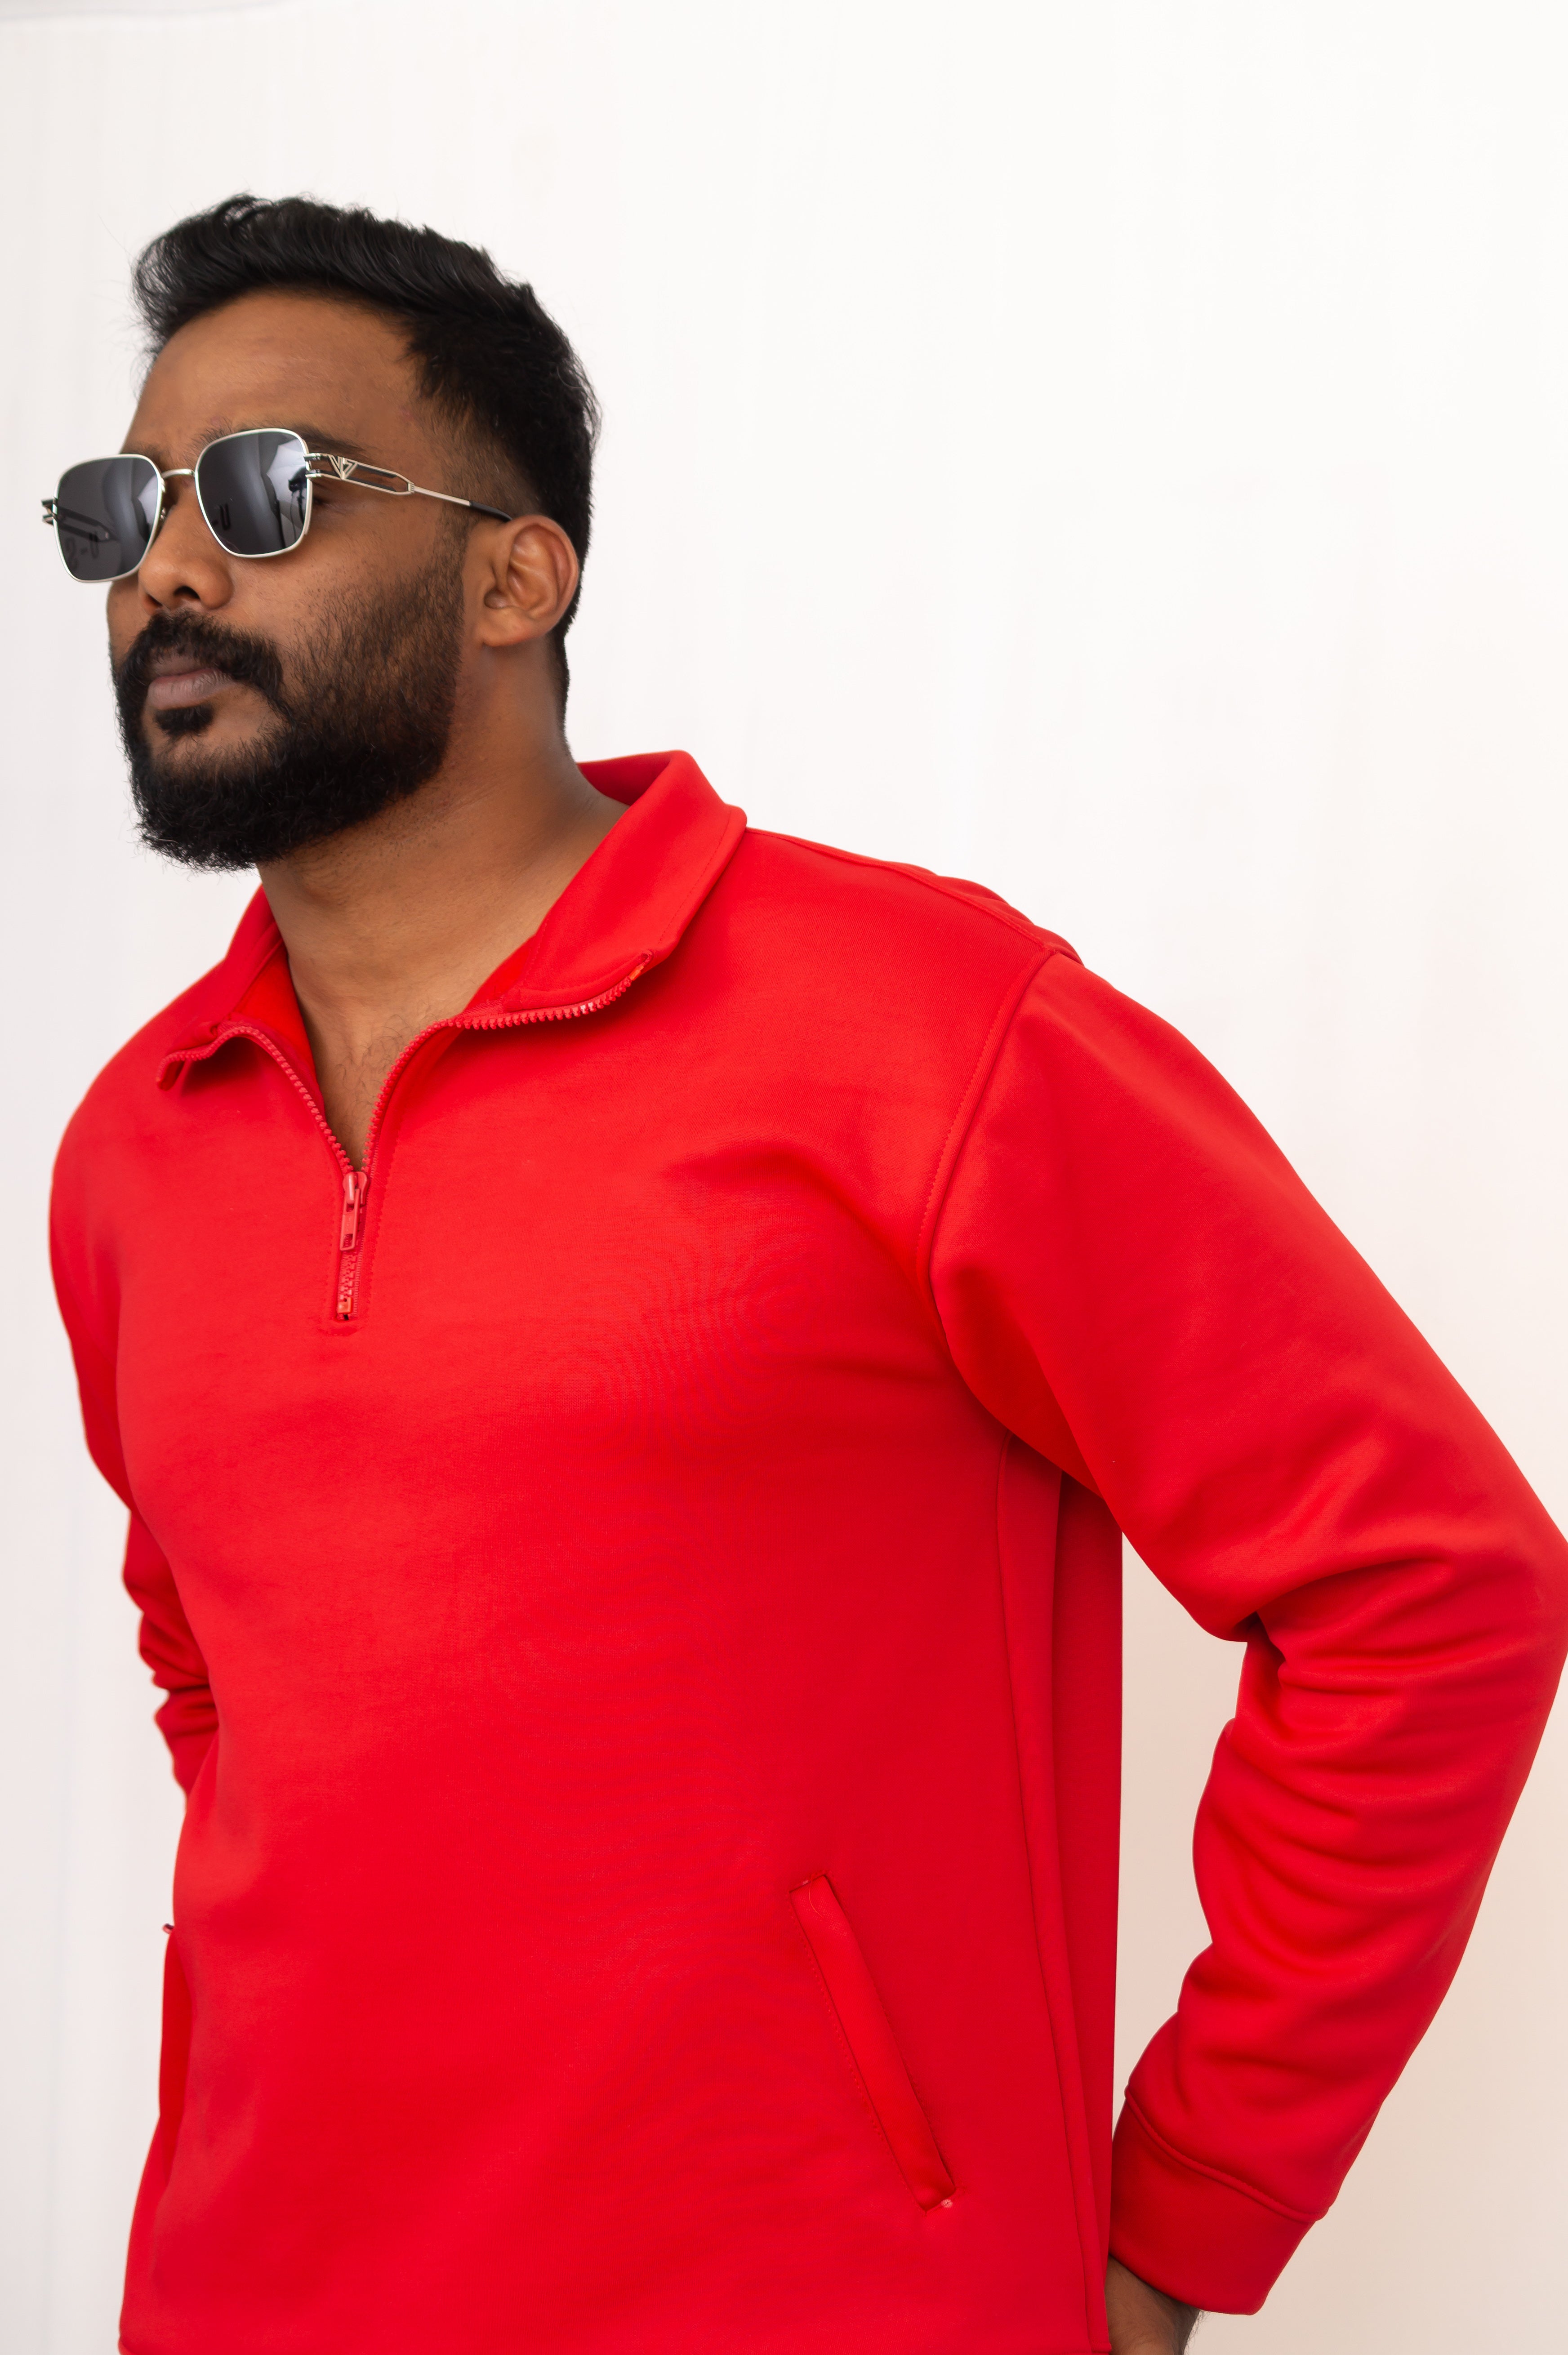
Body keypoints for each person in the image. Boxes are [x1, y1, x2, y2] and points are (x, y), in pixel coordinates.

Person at [46, 193, 1567, 2355]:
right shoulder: (134, 1149)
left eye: (264, 491)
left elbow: (1428, 1582)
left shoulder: (923, 1032)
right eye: (121, 510)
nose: (168, 569)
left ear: (515, 570)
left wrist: (1180, 2215)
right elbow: (225, 1683)